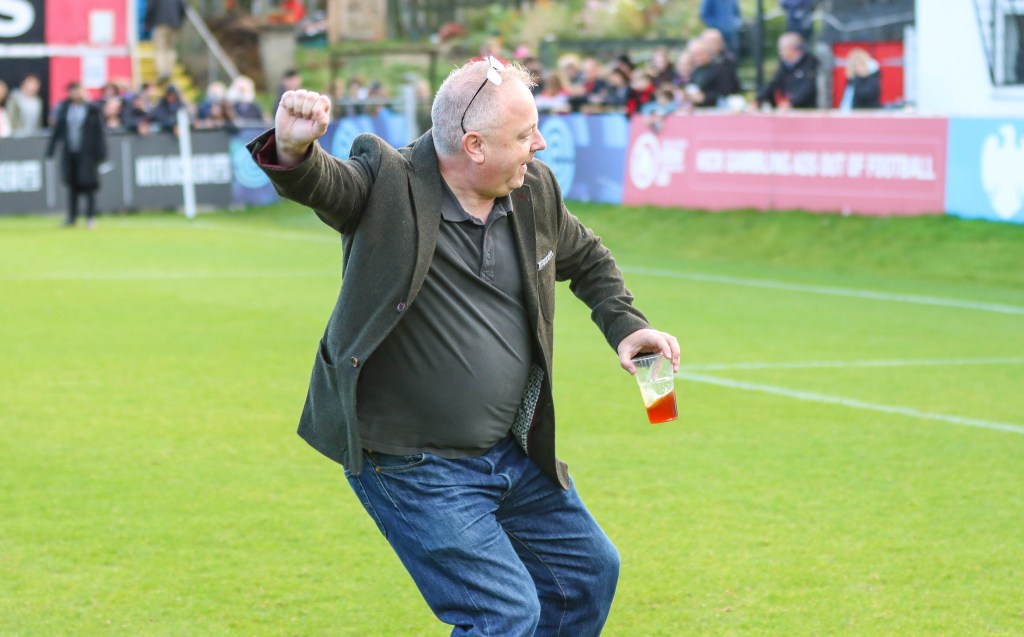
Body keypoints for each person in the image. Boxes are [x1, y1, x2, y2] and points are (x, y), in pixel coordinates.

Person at [246, 56, 680, 636]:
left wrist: (627, 326)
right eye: (524, 135)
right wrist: (295, 148)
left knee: (585, 575)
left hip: (510, 452)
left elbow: (587, 259)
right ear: (474, 145)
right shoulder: (389, 181)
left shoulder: (533, 191)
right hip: (411, 463)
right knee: (502, 613)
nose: (539, 145)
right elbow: (327, 184)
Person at [46, 82, 107, 228]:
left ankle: (90, 217)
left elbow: (99, 133)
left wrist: (101, 153)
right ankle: (72, 218)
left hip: (88, 154)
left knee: (89, 185)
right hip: (70, 153)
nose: (76, 94)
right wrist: (51, 149)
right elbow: (58, 130)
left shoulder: (92, 110)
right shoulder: (64, 109)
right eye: (73, 91)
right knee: (72, 186)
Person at [754, 32, 819, 110]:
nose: (780, 52)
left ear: (793, 49)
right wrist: (758, 100)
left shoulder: (810, 63)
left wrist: (790, 103)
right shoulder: (785, 65)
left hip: (806, 109)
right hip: (786, 107)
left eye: (782, 49)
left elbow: (807, 88)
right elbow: (773, 83)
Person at [143, 0, 187, 83]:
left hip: (160, 24)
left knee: (160, 49)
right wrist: (180, 21)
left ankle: (162, 72)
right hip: (175, 24)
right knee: (171, 49)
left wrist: (147, 21)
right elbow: (183, 8)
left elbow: (151, 7)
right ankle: (169, 71)